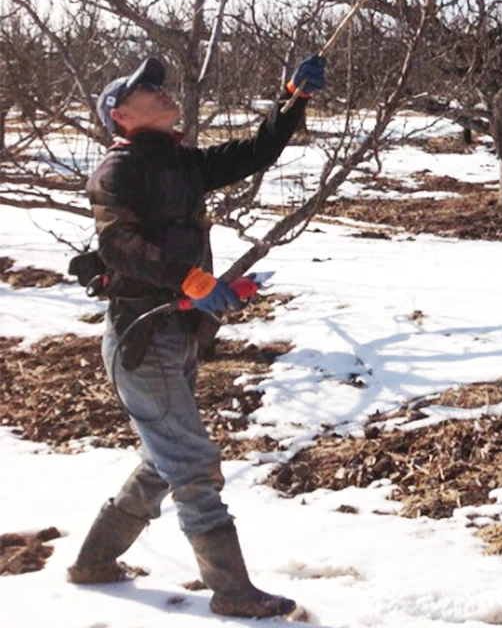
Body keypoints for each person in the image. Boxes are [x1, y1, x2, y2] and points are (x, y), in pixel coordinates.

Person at [67, 54, 325, 619]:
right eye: (145, 91)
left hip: (176, 331)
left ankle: (92, 561)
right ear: (121, 117)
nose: (161, 93)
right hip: (140, 337)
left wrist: (293, 102)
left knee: (165, 459)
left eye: (159, 86)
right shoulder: (119, 172)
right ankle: (231, 590)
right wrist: (190, 278)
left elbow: (254, 153)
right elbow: (117, 246)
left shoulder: (179, 163)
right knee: (191, 463)